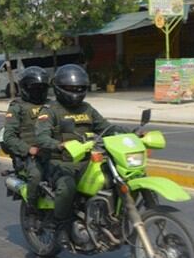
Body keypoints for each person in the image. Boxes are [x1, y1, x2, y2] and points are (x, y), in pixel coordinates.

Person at [34, 64, 128, 238]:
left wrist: (130, 133)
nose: (75, 91)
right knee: (67, 186)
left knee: (114, 178)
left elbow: (106, 127)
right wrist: (59, 145)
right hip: (60, 161)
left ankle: (109, 218)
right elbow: (41, 137)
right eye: (70, 88)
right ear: (59, 89)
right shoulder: (50, 111)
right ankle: (60, 224)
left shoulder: (87, 109)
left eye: (79, 88)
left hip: (88, 158)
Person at [2, 66, 51, 210]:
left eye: (42, 87)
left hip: (53, 149)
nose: (39, 91)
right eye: (35, 88)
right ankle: (32, 207)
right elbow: (9, 137)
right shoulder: (17, 107)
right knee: (36, 175)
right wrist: (29, 149)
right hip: (30, 155)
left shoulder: (51, 104)